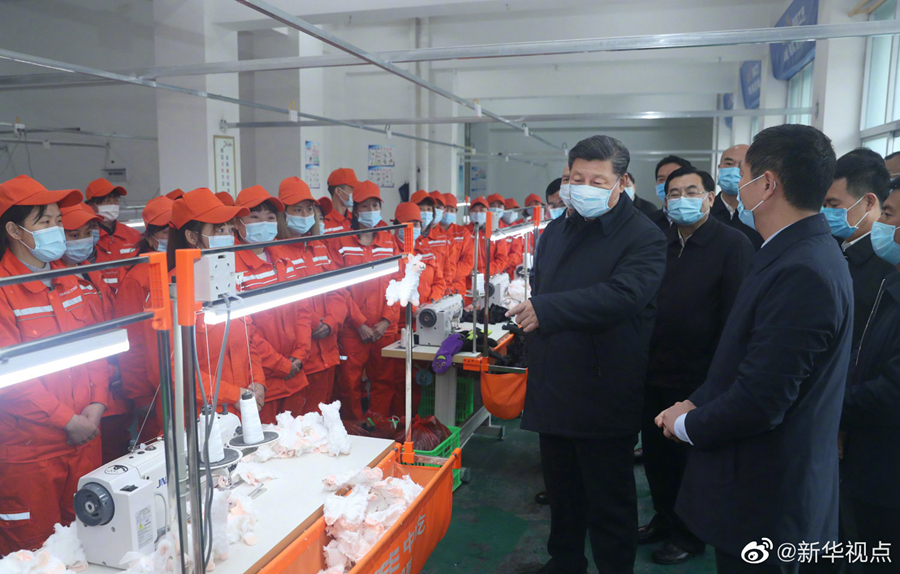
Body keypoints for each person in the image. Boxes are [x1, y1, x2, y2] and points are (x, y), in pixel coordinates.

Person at [656, 125, 852, 574]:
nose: (738, 187)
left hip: (770, 497)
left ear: (767, 184)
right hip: (762, 487)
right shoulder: (789, 251)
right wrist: (697, 400)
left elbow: (762, 399)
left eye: (743, 175)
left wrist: (686, 424)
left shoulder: (804, 270)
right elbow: (748, 357)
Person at [508, 136, 667, 574]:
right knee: (562, 490)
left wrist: (546, 310)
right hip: (554, 381)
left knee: (608, 498)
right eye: (577, 179)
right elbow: (543, 287)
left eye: (597, 181)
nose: (584, 188)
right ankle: (565, 561)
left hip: (603, 387)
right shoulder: (556, 231)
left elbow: (623, 295)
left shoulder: (644, 237)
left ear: (621, 182)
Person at [639, 166, 754, 565]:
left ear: (709, 198)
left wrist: (717, 381)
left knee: (691, 463)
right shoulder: (661, 241)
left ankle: (690, 535)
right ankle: (664, 518)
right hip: (655, 370)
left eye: (691, 191)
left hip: (700, 377)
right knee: (657, 457)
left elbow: (736, 320)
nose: (681, 199)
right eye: (673, 193)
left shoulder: (732, 244)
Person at [0, 175, 109, 554]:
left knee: (94, 542)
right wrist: (67, 420)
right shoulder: (3, 291)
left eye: (58, 220)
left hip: (86, 438)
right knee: (36, 554)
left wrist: (97, 404)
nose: (56, 229)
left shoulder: (68, 280)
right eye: (44, 221)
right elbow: (10, 379)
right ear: (15, 230)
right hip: (31, 455)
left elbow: (97, 346)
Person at [839, 184, 900, 572]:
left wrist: (830, 405)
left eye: (889, 215)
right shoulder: (891, 283)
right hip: (869, 460)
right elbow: (865, 358)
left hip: (889, 472)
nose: (881, 223)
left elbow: (892, 393)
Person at [167, 188, 267, 415]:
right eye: (219, 230)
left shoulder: (230, 281)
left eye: (230, 229)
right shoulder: (173, 291)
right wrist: (235, 394)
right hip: (202, 416)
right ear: (192, 237)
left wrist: (258, 382)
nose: (228, 236)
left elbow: (249, 340)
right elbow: (177, 371)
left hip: (244, 405)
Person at [59, 203, 132, 463]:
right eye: (74, 235)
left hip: (112, 388)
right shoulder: (57, 282)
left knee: (117, 455)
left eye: (88, 232)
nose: (83, 240)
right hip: (88, 399)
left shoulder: (92, 271)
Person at [233, 185, 313, 424]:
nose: (264, 223)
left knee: (300, 439)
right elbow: (245, 330)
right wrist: (280, 364)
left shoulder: (283, 257)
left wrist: (300, 354)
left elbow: (302, 308)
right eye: (254, 217)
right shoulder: (231, 266)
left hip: (294, 375)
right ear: (237, 223)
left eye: (269, 217)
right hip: (260, 381)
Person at [329, 180, 401, 420]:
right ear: (356, 210)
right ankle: (355, 429)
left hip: (384, 329)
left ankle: (378, 426)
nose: (371, 210)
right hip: (352, 330)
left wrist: (386, 320)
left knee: (384, 381)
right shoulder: (341, 242)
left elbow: (399, 282)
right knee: (349, 385)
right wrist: (359, 322)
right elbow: (338, 289)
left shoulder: (389, 241)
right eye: (365, 206)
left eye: (375, 206)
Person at [276, 177, 348, 413]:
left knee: (324, 418)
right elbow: (288, 303)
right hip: (301, 356)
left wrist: (331, 322)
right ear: (283, 215)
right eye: (297, 210)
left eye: (308, 209)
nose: (304, 215)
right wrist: (317, 323)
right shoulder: (275, 251)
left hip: (327, 350)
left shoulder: (319, 246)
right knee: (301, 424)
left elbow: (338, 291)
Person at [822, 148, 895, 353]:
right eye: (823, 204)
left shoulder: (887, 260)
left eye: (833, 204)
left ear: (869, 202)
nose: (825, 212)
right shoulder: (829, 247)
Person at [116, 196, 174, 444]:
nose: (173, 237)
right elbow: (131, 340)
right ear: (150, 238)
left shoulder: (189, 268)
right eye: (166, 232)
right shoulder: (138, 278)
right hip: (154, 393)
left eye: (176, 230)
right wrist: (140, 396)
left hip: (183, 385)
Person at [85, 178, 142, 292]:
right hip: (101, 297)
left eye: (115, 200)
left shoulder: (133, 235)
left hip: (130, 296)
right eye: (107, 200)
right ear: (91, 205)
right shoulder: (86, 238)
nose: (113, 204)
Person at [710, 144, 764, 250]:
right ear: (719, 168)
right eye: (729, 164)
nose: (734, 170)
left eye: (742, 165)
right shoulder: (705, 211)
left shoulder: (762, 212)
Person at [465, 196, 508, 304]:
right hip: (466, 283)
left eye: (481, 210)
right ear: (469, 213)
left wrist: (483, 273)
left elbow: (502, 258)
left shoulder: (495, 233)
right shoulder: (463, 232)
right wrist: (467, 271)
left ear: (488, 213)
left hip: (489, 281)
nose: (478, 213)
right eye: (474, 210)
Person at [440, 192, 474, 296]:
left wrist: (449, 276)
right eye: (446, 209)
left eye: (452, 210)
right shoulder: (432, 233)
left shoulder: (463, 233)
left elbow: (467, 262)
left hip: (457, 287)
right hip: (435, 287)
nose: (448, 213)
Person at [324, 168, 358, 234]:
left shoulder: (355, 219)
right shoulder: (323, 222)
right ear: (338, 191)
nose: (355, 193)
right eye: (352, 189)